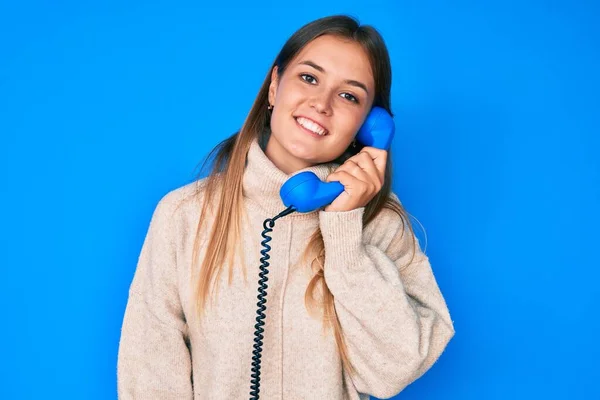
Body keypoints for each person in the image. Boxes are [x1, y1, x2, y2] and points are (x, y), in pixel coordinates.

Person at [117, 14, 455, 400]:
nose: (321, 104)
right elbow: (149, 372)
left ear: (368, 124)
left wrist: (344, 229)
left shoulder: (380, 222)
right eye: (309, 78)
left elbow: (394, 370)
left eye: (349, 96)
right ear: (275, 87)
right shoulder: (184, 215)